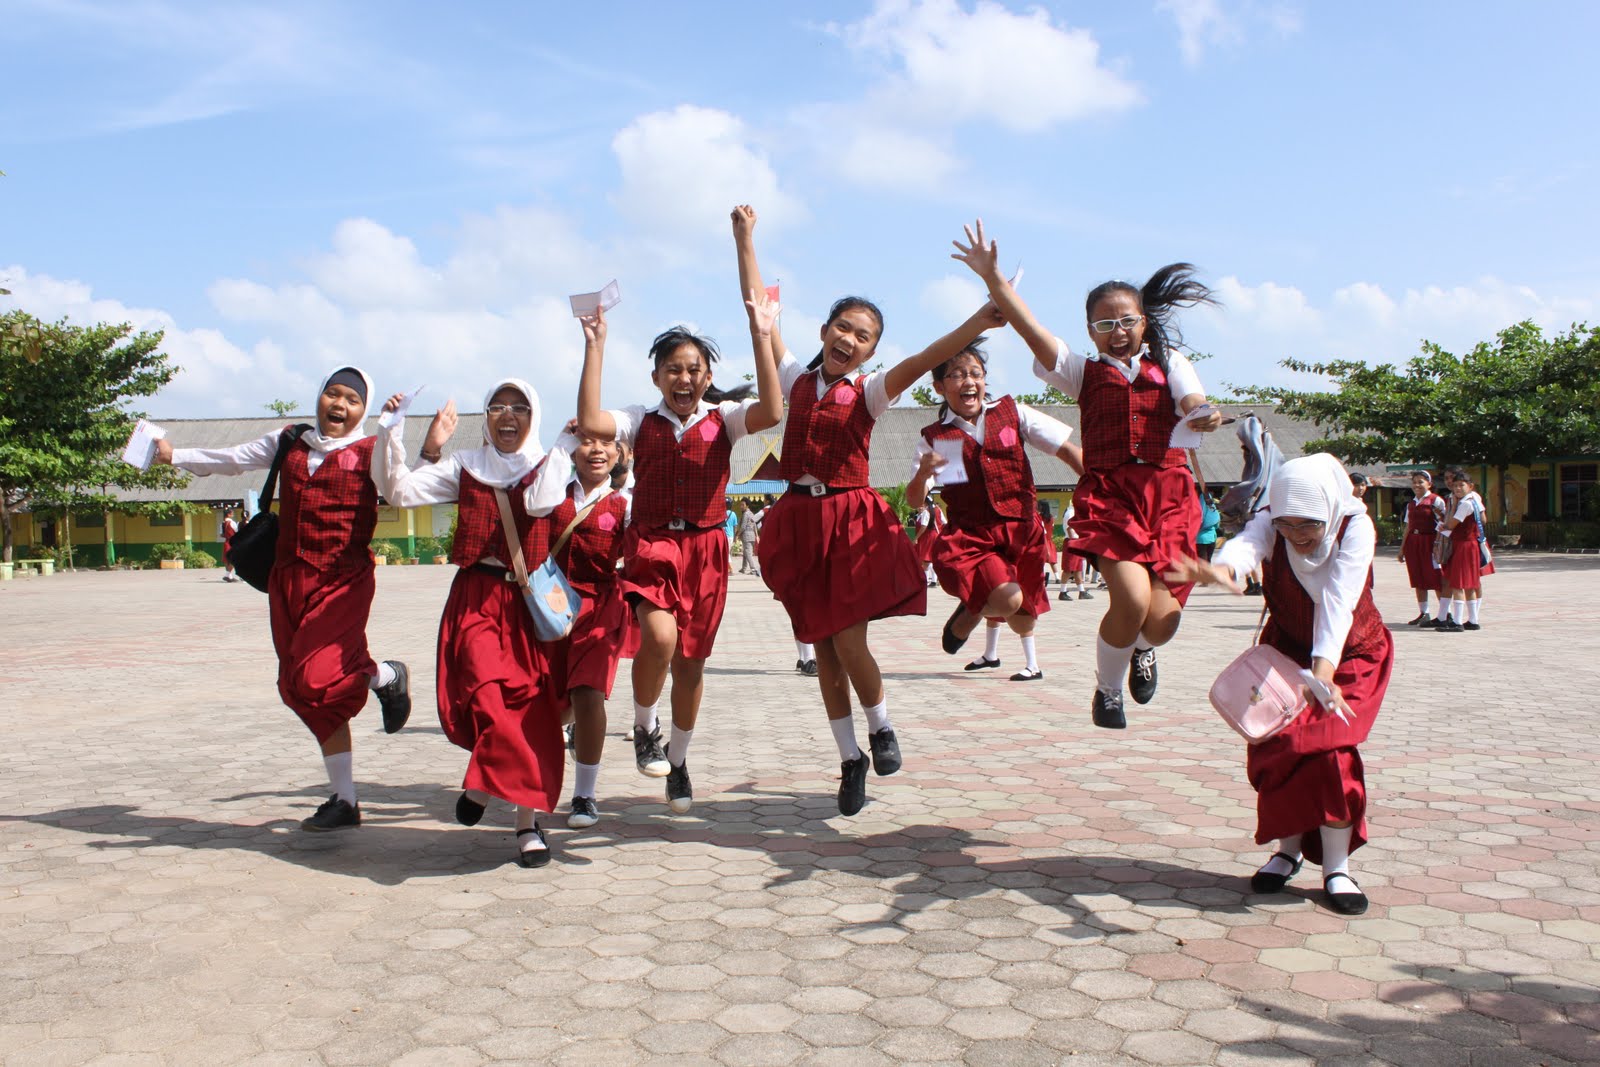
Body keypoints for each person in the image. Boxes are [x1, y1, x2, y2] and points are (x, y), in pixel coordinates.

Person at [735, 203, 994, 815]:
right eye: (842, 327)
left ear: (872, 350)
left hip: (848, 523)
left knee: (848, 641)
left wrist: (981, 317)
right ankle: (849, 758)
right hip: (797, 522)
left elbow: (928, 355)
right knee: (822, 648)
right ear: (824, 329)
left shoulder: (870, 393)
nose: (849, 340)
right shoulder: (794, 376)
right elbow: (759, 312)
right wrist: (746, 238)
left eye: (863, 336)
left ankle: (880, 725)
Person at [952, 220, 1224, 728]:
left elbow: (1193, 401)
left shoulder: (1172, 363)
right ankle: (1106, 692)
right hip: (1112, 496)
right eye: (1104, 324)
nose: (1117, 333)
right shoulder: (1079, 371)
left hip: (1170, 498)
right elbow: (1030, 328)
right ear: (1089, 330)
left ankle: (1144, 649)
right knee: (1132, 597)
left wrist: (1202, 412)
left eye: (1126, 322)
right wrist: (994, 281)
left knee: (1162, 621)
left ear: (1143, 323)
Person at [155, 368, 411, 831]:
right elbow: (232, 458)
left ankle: (384, 675)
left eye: (353, 399)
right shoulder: (290, 439)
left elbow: (396, 488)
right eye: (333, 393)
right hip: (288, 578)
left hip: (342, 579)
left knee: (318, 679)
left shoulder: (372, 450)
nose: (340, 404)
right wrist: (175, 456)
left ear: (363, 410)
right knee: (298, 688)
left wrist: (392, 432)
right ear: (319, 398)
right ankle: (345, 799)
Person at [574, 282, 784, 815]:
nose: (683, 378)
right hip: (652, 542)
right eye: (673, 369)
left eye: (693, 369)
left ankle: (680, 762)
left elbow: (774, 411)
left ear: (708, 378)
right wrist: (594, 344)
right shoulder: (639, 420)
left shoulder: (726, 420)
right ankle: (645, 726)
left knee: (691, 667)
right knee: (659, 637)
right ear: (656, 377)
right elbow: (592, 420)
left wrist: (763, 336)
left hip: (708, 550)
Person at [1166, 453, 1391, 916]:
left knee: (1330, 751)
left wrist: (1323, 673)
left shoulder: (1356, 527)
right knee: (1279, 749)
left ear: (1328, 509)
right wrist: (1223, 569)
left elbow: (1338, 600)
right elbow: (1248, 545)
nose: (1296, 537)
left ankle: (1337, 867)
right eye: (1286, 527)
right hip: (1286, 652)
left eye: (1306, 526)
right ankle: (1287, 852)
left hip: (1349, 655)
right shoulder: (1274, 519)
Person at [373, 380, 569, 866]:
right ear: (485, 417)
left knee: (534, 715)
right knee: (487, 699)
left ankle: (526, 823)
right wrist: (393, 431)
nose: (508, 415)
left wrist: (564, 446)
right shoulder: (465, 467)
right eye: (497, 406)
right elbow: (398, 491)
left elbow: (541, 503)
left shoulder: (553, 465)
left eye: (520, 406)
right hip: (478, 600)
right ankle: (484, 785)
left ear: (534, 414)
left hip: (533, 606)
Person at [906, 340, 1083, 684]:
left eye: (976, 373)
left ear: (985, 380)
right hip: (975, 536)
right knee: (1008, 598)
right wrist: (924, 473)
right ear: (940, 387)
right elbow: (915, 500)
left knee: (1023, 610)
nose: (969, 381)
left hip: (1023, 529)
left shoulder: (1013, 412)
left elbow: (1065, 449)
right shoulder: (936, 437)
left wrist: (1099, 486)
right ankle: (974, 609)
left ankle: (1019, 651)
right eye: (957, 375)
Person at [540, 430, 632, 830]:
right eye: (586, 441)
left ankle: (584, 795)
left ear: (619, 453)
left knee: (589, 694)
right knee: (549, 703)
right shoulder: (550, 496)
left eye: (606, 443)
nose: (596, 450)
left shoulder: (626, 504)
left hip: (601, 607)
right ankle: (525, 777)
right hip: (551, 606)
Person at [1436, 471, 1486, 632]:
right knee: (1471, 584)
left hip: (1463, 545)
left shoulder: (1465, 504)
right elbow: (1484, 520)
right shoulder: (1475, 499)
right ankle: (1473, 620)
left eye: (1461, 485)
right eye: (1455, 485)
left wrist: (1442, 524)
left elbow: (1451, 525)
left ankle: (1457, 622)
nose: (1457, 488)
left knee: (1457, 583)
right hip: (1472, 544)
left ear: (1470, 486)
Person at [1399, 471, 1446, 624]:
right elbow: (1408, 527)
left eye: (1421, 482)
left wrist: (1439, 546)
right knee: (1417, 577)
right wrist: (1402, 548)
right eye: (1415, 482)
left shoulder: (1436, 501)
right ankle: (1423, 612)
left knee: (1436, 577)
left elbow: (1444, 523)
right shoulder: (1411, 504)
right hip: (1414, 542)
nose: (1417, 485)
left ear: (1429, 484)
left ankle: (1445, 613)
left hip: (1430, 542)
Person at [913, 497, 946, 587]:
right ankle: (933, 581)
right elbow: (944, 522)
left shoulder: (926, 512)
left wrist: (916, 537)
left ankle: (926, 580)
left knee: (925, 559)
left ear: (926, 503)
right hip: (936, 535)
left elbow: (923, 526)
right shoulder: (938, 509)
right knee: (931, 558)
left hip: (928, 536)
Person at [736, 500, 762, 574]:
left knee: (747, 553)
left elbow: (743, 526)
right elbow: (755, 526)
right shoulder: (751, 514)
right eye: (740, 505)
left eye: (743, 505)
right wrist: (756, 535)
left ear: (747, 506)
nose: (741, 506)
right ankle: (743, 568)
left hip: (746, 535)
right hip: (752, 536)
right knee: (746, 552)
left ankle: (753, 569)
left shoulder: (746, 514)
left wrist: (738, 534)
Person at [1196, 488, 1221, 562]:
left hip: (1200, 539)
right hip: (1211, 538)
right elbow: (1217, 524)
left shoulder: (1199, 505)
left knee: (1202, 564)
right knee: (1208, 562)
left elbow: (1199, 519)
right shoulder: (1212, 508)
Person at [220, 508, 241, 582]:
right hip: (232, 542)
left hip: (226, 542)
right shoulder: (232, 523)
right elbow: (237, 532)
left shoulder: (222, 523)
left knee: (226, 560)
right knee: (233, 559)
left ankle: (230, 576)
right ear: (228, 514)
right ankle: (227, 574)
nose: (233, 514)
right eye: (232, 513)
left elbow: (221, 535)